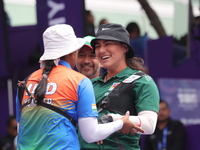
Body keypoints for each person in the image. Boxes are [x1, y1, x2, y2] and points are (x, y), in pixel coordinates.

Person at [15, 24, 143, 150]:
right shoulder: (79, 81)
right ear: (72, 53)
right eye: (79, 52)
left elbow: (21, 131)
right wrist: (120, 123)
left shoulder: (25, 83)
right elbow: (90, 134)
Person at [79, 23, 160, 150]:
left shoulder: (142, 81)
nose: (101, 50)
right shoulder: (91, 84)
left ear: (124, 48)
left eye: (108, 44)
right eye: (98, 46)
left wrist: (113, 119)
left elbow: (149, 125)